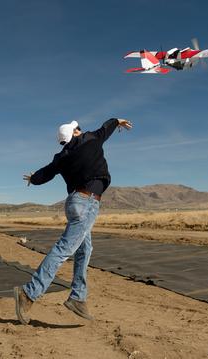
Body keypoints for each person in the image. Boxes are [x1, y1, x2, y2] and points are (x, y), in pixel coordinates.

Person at [14, 117, 132, 324]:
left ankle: (78, 297)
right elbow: (106, 127)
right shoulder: (90, 139)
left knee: (84, 249)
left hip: (74, 203)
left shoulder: (62, 156)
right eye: (78, 128)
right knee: (63, 250)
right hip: (87, 203)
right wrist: (118, 121)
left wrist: (33, 179)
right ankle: (29, 293)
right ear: (75, 132)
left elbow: (45, 174)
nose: (81, 129)